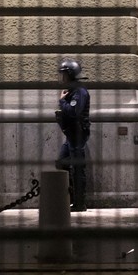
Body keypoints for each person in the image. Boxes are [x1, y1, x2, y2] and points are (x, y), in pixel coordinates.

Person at [55, 59, 91, 212]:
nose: (62, 78)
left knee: (77, 168)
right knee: (62, 162)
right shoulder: (71, 91)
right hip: (70, 134)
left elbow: (73, 112)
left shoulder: (79, 92)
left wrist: (62, 102)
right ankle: (71, 197)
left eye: (64, 75)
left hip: (77, 135)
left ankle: (79, 203)